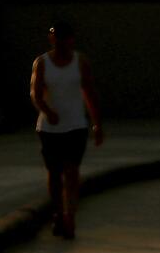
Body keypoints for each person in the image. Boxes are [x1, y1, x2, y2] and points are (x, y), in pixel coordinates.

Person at [28, 20, 104, 239]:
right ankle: (57, 213)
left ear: (71, 39)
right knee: (54, 173)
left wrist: (97, 123)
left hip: (75, 126)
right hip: (49, 128)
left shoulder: (80, 62)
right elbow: (35, 93)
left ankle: (70, 214)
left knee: (71, 171)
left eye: (65, 37)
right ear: (52, 39)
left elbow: (89, 92)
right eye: (57, 37)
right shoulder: (42, 63)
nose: (61, 42)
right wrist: (46, 110)